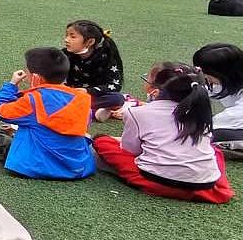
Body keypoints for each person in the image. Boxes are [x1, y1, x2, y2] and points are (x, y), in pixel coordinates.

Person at [93, 63, 234, 203]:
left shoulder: (137, 112)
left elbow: (130, 150)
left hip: (156, 182)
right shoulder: (201, 112)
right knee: (215, 151)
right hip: (205, 185)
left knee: (102, 141)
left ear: (156, 90)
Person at [0, 47, 95, 180]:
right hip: (76, 166)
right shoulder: (82, 98)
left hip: (36, 164)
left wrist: (11, 85)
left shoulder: (35, 100)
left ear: (36, 77)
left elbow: (1, 110)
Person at [62, 20, 125, 119]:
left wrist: (87, 91)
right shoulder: (65, 54)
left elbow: (114, 85)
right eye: (67, 36)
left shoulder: (105, 57)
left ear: (90, 41)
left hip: (93, 95)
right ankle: (93, 111)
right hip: (71, 93)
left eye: (72, 37)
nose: (66, 39)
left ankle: (82, 109)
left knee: (117, 98)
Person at [193, 42, 243, 154]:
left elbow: (218, 121)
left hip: (237, 124)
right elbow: (213, 89)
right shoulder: (234, 80)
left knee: (207, 134)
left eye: (205, 72)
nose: (202, 75)